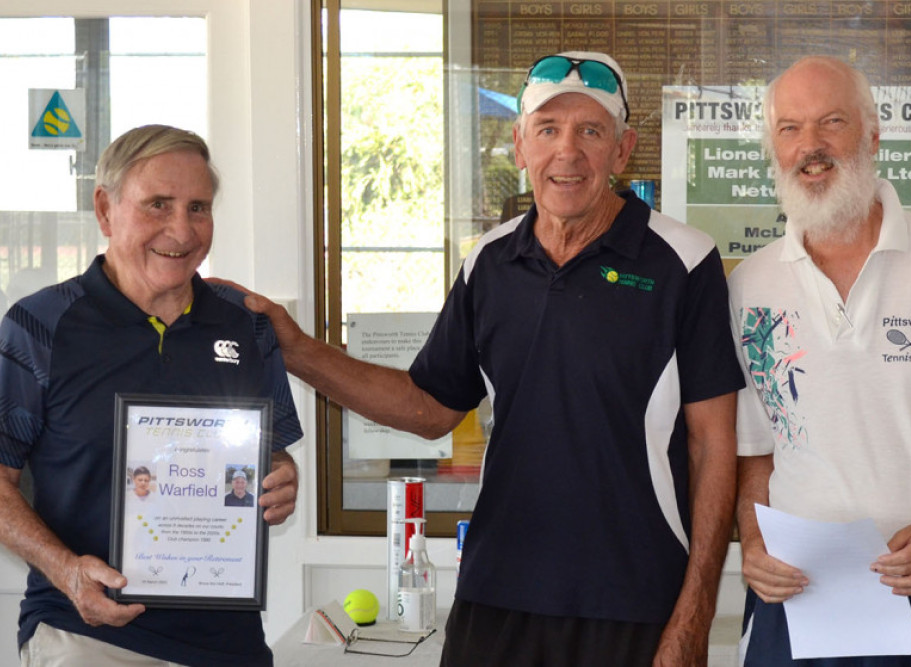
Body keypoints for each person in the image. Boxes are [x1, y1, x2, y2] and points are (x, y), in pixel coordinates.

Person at [238, 51, 744, 665]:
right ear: (519, 144)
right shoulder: (489, 260)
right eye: (548, 130)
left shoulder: (685, 261)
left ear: (622, 149)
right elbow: (429, 408)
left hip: (633, 596)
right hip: (499, 589)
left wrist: (694, 615)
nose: (568, 152)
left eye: (591, 131)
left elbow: (713, 447)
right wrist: (296, 349)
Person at [730, 55, 911, 665]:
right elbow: (755, 450)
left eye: (832, 122)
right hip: (795, 594)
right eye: (790, 128)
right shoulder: (751, 285)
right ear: (773, 147)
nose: (811, 146)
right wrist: (752, 540)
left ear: (874, 135)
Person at [0, 124, 303, 667]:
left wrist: (281, 476)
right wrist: (67, 570)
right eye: (158, 205)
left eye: (198, 207)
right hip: (89, 635)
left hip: (227, 641)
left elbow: (269, 451)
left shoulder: (246, 327)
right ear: (105, 209)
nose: (181, 231)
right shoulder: (40, 328)